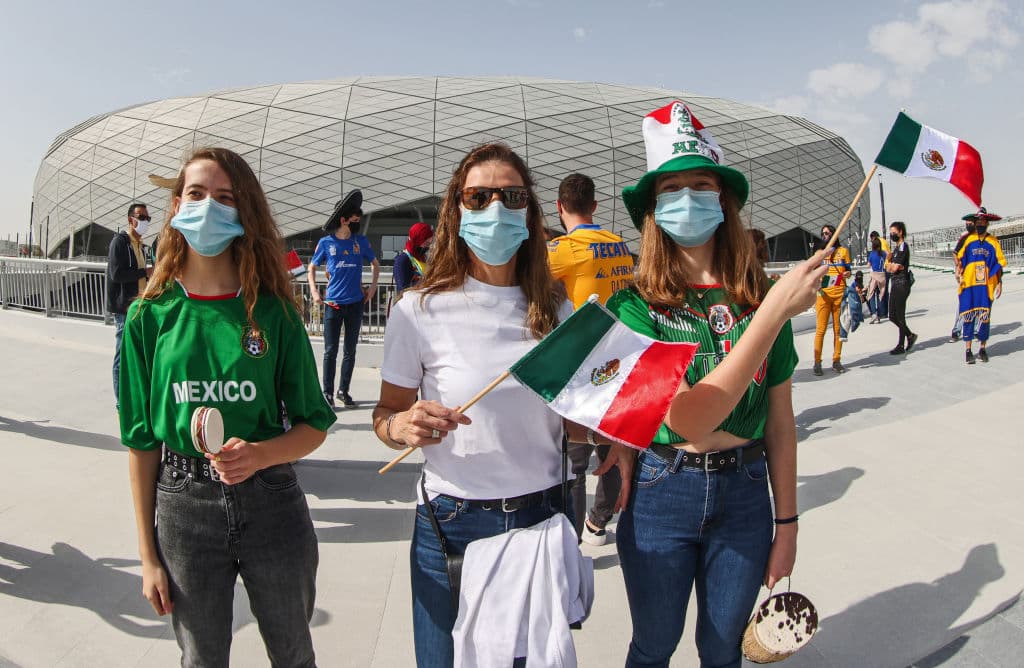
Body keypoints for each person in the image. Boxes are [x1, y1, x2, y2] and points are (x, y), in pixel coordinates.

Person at [373, 143, 629, 667]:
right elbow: (384, 416)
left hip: (540, 518)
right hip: (451, 527)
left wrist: (613, 432)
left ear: (531, 212)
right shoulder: (417, 310)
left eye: (511, 196)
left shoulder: (558, 310)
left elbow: (573, 421)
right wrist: (402, 425)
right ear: (457, 208)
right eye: (479, 195)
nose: (495, 208)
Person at [606, 100, 827, 668]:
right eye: (670, 189)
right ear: (653, 209)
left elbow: (781, 423)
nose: (686, 199)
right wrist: (774, 313)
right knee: (653, 646)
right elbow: (685, 417)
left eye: (700, 185)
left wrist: (788, 525)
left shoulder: (757, 298)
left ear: (723, 200)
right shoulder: (634, 308)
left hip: (746, 494)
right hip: (662, 491)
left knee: (723, 650)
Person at [119, 147, 336, 667]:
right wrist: (148, 556)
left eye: (225, 198)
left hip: (272, 502)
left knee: (292, 653)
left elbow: (314, 426)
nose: (209, 207)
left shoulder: (275, 313)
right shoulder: (149, 316)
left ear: (244, 215)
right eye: (196, 194)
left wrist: (261, 454)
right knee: (202, 659)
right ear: (175, 207)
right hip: (183, 506)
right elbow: (142, 441)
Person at [547, 172, 636, 546]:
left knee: (577, 447)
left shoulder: (562, 250)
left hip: (580, 357)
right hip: (618, 354)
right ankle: (599, 522)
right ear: (595, 206)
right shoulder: (618, 244)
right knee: (611, 441)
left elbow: (525, 282)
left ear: (559, 206)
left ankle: (572, 531)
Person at [309, 195, 381, 408]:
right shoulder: (326, 243)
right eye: (355, 216)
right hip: (333, 303)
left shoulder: (361, 242)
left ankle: (344, 390)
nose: (358, 219)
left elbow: (375, 264)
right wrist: (314, 291)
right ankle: (327, 393)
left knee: (350, 350)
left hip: (356, 303)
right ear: (343, 219)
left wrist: (373, 287)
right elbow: (312, 267)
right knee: (330, 350)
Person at [107, 203, 153, 405]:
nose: (144, 221)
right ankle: (120, 404)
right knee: (121, 356)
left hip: (139, 306)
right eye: (141, 217)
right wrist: (145, 272)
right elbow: (116, 274)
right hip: (124, 309)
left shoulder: (139, 246)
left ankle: (133, 397)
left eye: (147, 218)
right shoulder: (120, 242)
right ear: (130, 219)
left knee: (136, 355)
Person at [956, 208, 1006, 364]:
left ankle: (983, 348)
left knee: (984, 318)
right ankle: (968, 350)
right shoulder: (968, 240)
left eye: (983, 222)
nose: (980, 224)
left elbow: (998, 263)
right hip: (969, 284)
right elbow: (959, 259)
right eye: (978, 222)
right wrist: (958, 271)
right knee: (968, 316)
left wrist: (999, 283)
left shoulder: (993, 241)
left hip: (986, 285)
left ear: (987, 223)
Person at [812, 224, 851, 375]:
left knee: (837, 330)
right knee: (820, 330)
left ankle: (836, 360)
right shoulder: (819, 253)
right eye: (823, 233)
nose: (825, 235)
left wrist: (847, 274)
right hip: (823, 295)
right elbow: (813, 271)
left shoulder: (843, 252)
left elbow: (848, 270)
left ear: (834, 235)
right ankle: (817, 362)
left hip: (839, 294)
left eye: (828, 233)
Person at [885, 221, 918, 355]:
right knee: (892, 315)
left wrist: (891, 265)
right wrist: (890, 264)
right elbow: (889, 268)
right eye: (890, 233)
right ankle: (910, 335)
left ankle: (901, 344)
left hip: (902, 283)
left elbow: (894, 268)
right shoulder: (897, 249)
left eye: (894, 232)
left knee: (899, 315)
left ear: (901, 232)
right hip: (895, 283)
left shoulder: (903, 247)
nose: (892, 235)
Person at [949, 215, 977, 342]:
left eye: (970, 222)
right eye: (967, 222)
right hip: (966, 276)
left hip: (979, 277)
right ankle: (956, 330)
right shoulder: (965, 238)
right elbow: (955, 253)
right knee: (963, 304)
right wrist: (957, 268)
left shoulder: (984, 238)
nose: (968, 224)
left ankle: (976, 330)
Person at [393, 222, 433, 294]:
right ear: (416, 241)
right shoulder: (402, 260)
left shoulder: (423, 258)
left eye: (430, 243)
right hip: (411, 302)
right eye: (426, 243)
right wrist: (428, 283)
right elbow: (403, 289)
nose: (428, 247)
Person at [865, 236, 887, 323]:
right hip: (882, 276)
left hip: (874, 276)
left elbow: (868, 265)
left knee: (871, 295)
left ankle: (874, 314)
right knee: (880, 295)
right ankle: (879, 313)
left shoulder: (872, 254)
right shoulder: (883, 253)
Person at [869, 230, 890, 318]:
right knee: (883, 292)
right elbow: (889, 254)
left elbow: (869, 264)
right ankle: (884, 313)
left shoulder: (872, 253)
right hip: (884, 271)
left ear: (873, 238)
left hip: (877, 272)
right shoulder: (884, 241)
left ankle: (876, 313)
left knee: (873, 293)